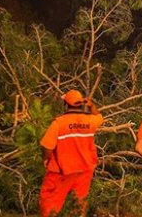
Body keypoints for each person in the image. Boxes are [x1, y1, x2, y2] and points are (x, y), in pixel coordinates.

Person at [39, 89, 103, 217]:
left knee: (49, 202)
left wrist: (46, 159)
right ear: (81, 104)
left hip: (61, 171)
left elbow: (47, 146)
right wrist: (91, 106)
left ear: (66, 105)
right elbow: (100, 117)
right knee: (79, 204)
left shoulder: (58, 123)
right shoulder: (90, 121)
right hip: (84, 170)